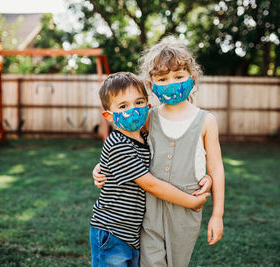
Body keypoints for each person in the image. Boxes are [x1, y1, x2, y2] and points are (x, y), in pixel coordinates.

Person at [93, 38, 225, 267]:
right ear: (151, 84)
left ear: (192, 77)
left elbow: (216, 166)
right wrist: (99, 168)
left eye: (178, 76)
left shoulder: (206, 120)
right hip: (150, 208)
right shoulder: (148, 117)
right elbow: (124, 143)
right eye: (163, 79)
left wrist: (217, 214)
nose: (171, 83)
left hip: (186, 210)